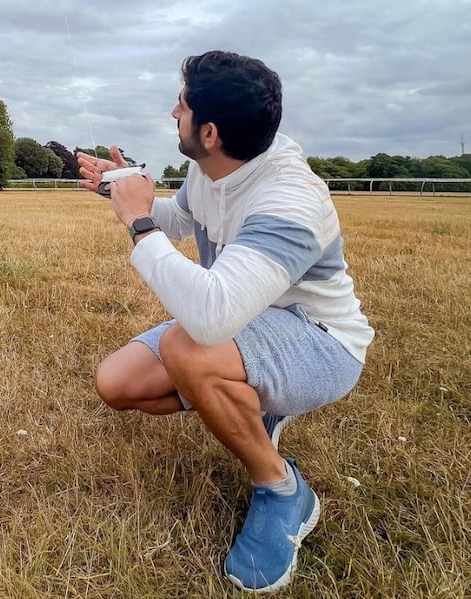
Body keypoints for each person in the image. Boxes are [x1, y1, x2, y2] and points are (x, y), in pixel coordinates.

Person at [76, 50, 373, 593]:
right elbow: (183, 220)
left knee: (189, 348)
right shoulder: (212, 167)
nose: (173, 112)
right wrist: (120, 191)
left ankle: (282, 488)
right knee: (117, 383)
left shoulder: (290, 197)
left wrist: (138, 223)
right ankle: (250, 404)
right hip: (249, 325)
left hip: (319, 339)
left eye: (182, 106)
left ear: (208, 132)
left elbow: (210, 319)